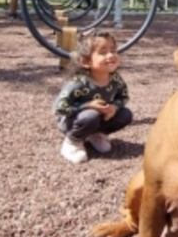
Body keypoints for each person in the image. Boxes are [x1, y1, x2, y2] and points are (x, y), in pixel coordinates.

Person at [53, 32, 133, 164]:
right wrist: (87, 105)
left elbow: (124, 97)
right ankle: (72, 142)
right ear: (86, 61)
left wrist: (114, 107)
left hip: (97, 117)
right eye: (103, 52)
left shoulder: (116, 79)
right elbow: (59, 108)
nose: (111, 55)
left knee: (125, 114)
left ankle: (95, 134)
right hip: (73, 120)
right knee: (90, 115)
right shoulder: (79, 83)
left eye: (113, 50)